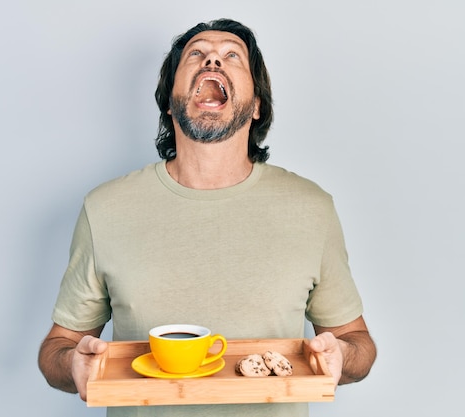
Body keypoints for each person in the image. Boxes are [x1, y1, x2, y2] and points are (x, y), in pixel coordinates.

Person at [38, 18, 376, 417]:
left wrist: (340, 358)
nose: (212, 58)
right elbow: (57, 348)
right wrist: (72, 364)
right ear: (170, 100)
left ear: (256, 106)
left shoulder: (311, 207)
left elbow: (357, 343)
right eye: (195, 54)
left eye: (232, 56)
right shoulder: (104, 207)